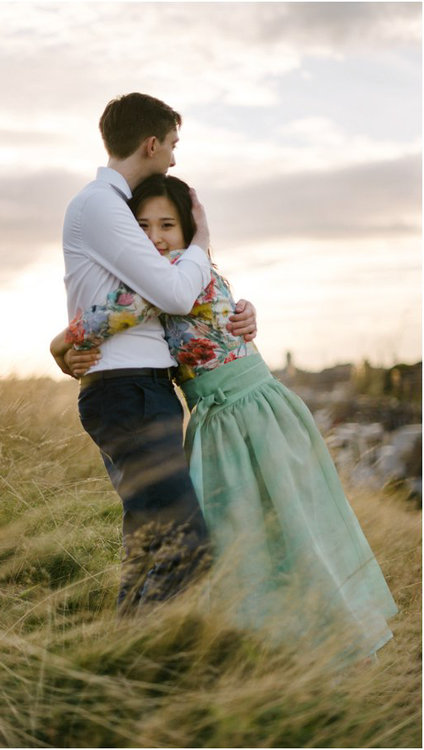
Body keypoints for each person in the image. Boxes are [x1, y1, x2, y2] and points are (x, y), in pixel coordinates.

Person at [61, 173, 397, 658]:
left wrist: (57, 345)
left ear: (188, 229)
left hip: (244, 415)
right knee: (266, 531)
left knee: (263, 532)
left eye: (167, 225)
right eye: (143, 227)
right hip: (239, 413)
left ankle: (296, 645)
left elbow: (101, 319)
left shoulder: (174, 272)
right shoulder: (177, 273)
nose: (155, 238)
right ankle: (278, 645)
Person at [51, 92, 257, 611]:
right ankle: (147, 672)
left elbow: (143, 302)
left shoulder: (110, 207)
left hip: (140, 390)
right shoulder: (100, 205)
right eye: (171, 146)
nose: (173, 159)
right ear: (150, 143)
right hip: (128, 392)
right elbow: (171, 291)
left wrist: (239, 313)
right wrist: (201, 241)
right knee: (185, 549)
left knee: (148, 545)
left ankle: (122, 662)